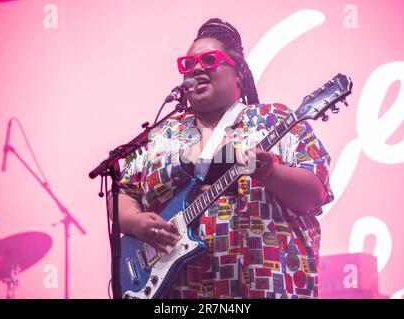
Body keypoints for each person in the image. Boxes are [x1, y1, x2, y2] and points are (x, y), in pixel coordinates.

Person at [110, 18, 333, 299]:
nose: (197, 68)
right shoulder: (161, 134)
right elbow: (123, 191)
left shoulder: (274, 120)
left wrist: (270, 174)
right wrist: (135, 222)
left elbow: (314, 194)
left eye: (209, 59)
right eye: (188, 65)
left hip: (262, 286)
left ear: (238, 73)